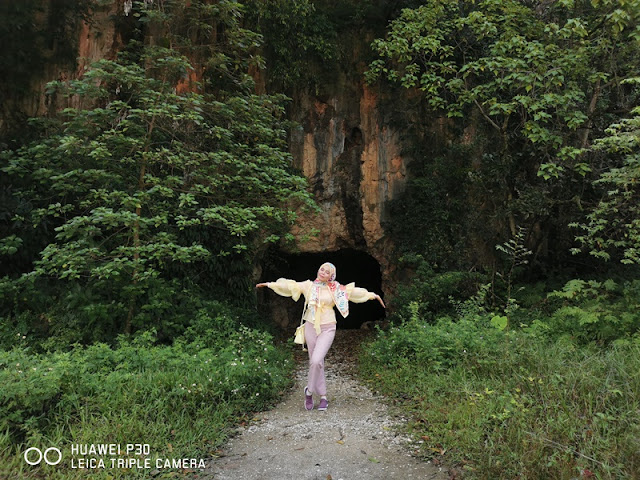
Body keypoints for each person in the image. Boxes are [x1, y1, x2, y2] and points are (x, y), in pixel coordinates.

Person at [256, 262, 385, 411]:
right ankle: (323, 396)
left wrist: (372, 295)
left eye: (327, 271)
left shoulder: (336, 289)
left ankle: (309, 392)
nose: (323, 272)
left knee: (317, 360)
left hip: (328, 327)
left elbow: (353, 292)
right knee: (316, 363)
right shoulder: (308, 286)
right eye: (321, 269)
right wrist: (270, 284)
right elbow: (290, 286)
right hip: (310, 326)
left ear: (332, 276)